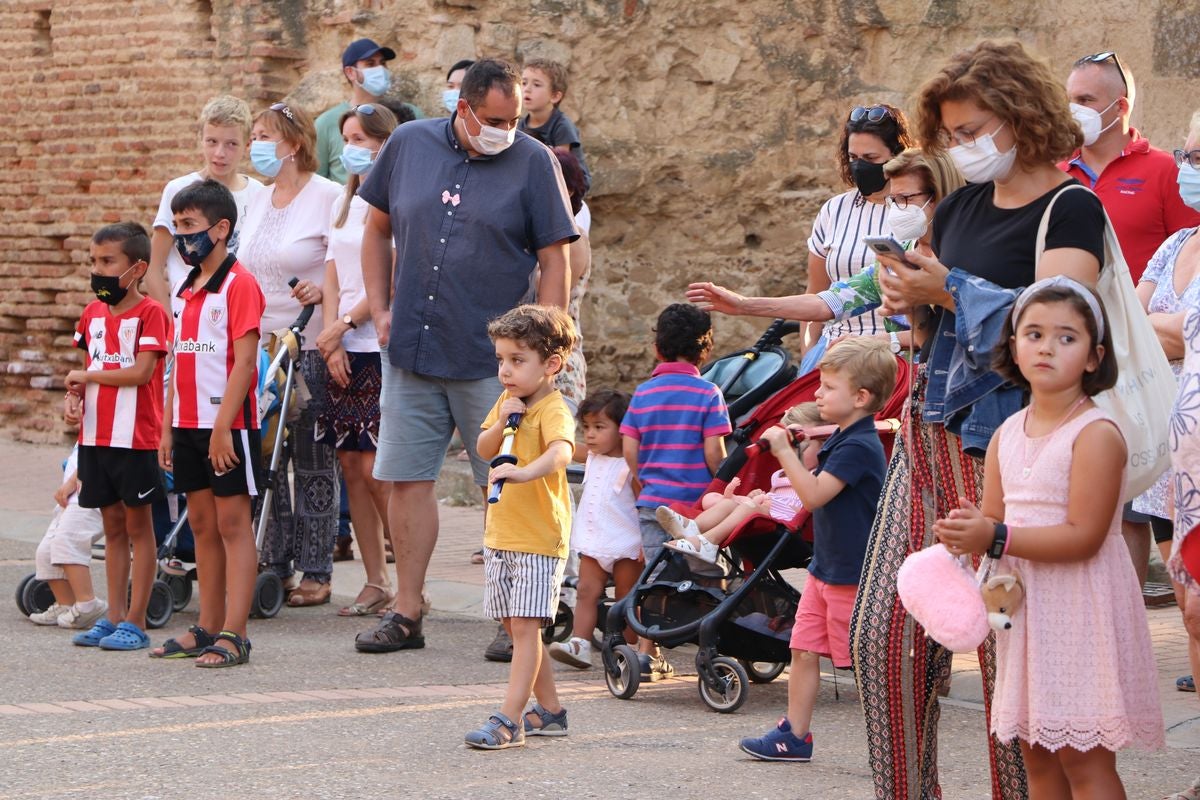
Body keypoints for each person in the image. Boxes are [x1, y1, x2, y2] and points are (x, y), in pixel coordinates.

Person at [855, 39, 1107, 800]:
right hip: (927, 435)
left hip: (1010, 449)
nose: (964, 148)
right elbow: (929, 287)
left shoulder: (1072, 205)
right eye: (954, 135)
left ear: (1020, 117)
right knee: (884, 640)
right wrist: (907, 295)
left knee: (1008, 654)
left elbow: (1064, 322)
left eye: (974, 132)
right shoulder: (961, 203)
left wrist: (949, 291)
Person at [354, 58, 577, 654]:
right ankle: (407, 608)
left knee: (503, 485)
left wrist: (547, 338)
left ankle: (516, 617)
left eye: (518, 118)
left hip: (496, 361)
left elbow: (556, 256)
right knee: (407, 478)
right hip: (414, 348)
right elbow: (375, 229)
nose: (510, 129)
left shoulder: (534, 161)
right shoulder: (408, 144)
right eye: (498, 119)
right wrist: (379, 307)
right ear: (463, 108)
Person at [935, 277, 1162, 797]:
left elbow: (1084, 537)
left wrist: (994, 534)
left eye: (1066, 337)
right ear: (1013, 346)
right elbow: (995, 524)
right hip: (1024, 615)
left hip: (1080, 610)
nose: (1046, 347)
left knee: (1085, 763)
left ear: (1093, 357)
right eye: (1033, 334)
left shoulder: (1096, 434)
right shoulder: (1006, 434)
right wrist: (969, 533)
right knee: (1038, 762)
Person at [1062, 52, 1200, 589]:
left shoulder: (1164, 171)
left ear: (1119, 107)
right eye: (1069, 99)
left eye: (1086, 100)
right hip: (1092, 360)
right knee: (1105, 495)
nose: (1073, 111)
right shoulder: (1057, 173)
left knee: (1143, 507)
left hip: (1154, 374)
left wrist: (1155, 332)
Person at [738, 338, 894, 762]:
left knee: (864, 663)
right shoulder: (840, 437)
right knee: (803, 649)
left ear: (861, 397)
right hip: (826, 569)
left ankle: (895, 737)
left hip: (852, 573)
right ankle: (794, 734)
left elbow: (813, 496)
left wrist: (786, 451)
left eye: (827, 388)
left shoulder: (859, 446)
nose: (818, 395)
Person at [687, 148, 964, 354]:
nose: (897, 208)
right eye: (892, 200)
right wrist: (745, 305)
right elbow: (829, 302)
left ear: (940, 194)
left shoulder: (967, 254)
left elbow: (974, 327)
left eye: (906, 199)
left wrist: (883, 340)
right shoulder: (897, 256)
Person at [153, 179, 266, 667]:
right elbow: (179, 359)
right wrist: (166, 426)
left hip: (227, 427)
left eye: (190, 226)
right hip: (187, 424)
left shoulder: (240, 285)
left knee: (233, 524)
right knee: (201, 524)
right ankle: (207, 625)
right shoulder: (184, 287)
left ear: (221, 229)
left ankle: (235, 634)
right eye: (176, 226)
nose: (181, 236)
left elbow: (244, 363)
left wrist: (223, 428)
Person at [238, 101, 343, 607]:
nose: (255, 143)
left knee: (311, 457)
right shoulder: (258, 198)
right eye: (254, 134)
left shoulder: (326, 196)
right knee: (264, 454)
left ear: (294, 144)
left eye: (264, 135)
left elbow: (346, 261)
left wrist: (323, 290)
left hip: (309, 342)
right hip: (260, 345)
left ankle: (317, 570)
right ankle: (272, 560)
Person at [463, 304, 577, 749]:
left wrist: (526, 472)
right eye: (501, 360)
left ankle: (509, 720)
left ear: (551, 365)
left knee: (526, 629)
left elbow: (562, 453)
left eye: (517, 360)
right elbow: (484, 444)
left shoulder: (552, 407)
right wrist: (505, 419)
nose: (505, 371)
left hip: (537, 537)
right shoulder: (507, 402)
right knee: (515, 627)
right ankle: (549, 711)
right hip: (503, 535)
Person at [64, 222, 169, 652]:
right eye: (94, 262)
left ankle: (136, 620)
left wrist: (86, 375)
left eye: (108, 262)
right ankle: (111, 617)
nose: (99, 270)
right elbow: (87, 370)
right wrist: (73, 397)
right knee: (111, 527)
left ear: (137, 268)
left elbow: (142, 373)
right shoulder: (91, 314)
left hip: (136, 439)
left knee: (139, 528)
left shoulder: (151, 314)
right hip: (95, 438)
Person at [314, 102, 401, 617]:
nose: (351, 146)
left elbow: (388, 276)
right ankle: (375, 580)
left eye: (362, 138)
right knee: (350, 466)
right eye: (347, 137)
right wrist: (330, 334)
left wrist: (348, 324)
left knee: (378, 472)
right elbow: (331, 270)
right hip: (340, 345)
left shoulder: (391, 202)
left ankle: (409, 581)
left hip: (375, 346)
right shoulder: (343, 203)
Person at [621, 303, 731, 680]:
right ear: (706, 350)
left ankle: (645, 650)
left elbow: (630, 452)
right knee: (709, 571)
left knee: (655, 575)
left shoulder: (642, 394)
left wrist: (645, 483)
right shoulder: (709, 393)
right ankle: (712, 644)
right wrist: (728, 484)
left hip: (654, 503)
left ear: (657, 348)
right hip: (697, 510)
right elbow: (714, 454)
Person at [1138, 114, 1200, 716]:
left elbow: (1183, 337)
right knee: (1190, 609)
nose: (1187, 169)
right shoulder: (1176, 244)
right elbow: (1131, 326)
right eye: (1186, 154)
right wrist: (1173, 331)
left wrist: (1173, 332)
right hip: (1166, 449)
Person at [797, 104, 913, 372]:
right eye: (853, 157)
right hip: (832, 352)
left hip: (891, 355)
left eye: (871, 158)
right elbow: (815, 291)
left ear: (897, 156)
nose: (860, 166)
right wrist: (809, 355)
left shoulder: (915, 212)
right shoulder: (833, 210)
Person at [656, 402, 823, 562]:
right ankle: (693, 526)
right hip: (768, 518)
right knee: (721, 500)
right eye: (788, 446)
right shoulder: (780, 474)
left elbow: (806, 505)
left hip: (790, 529)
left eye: (803, 446)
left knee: (749, 507)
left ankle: (708, 542)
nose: (793, 453)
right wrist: (759, 496)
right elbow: (775, 496)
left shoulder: (818, 476)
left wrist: (762, 504)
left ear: (824, 445)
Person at [144, 95, 265, 310]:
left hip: (240, 311)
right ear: (201, 138)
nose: (220, 153)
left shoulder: (258, 193)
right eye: (212, 142)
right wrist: (168, 321)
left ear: (247, 145)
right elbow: (153, 267)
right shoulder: (178, 190)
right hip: (188, 314)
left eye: (231, 144)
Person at [548, 389, 640, 668]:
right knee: (587, 591)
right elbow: (566, 448)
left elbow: (642, 504)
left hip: (627, 542)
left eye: (599, 427)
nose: (589, 434)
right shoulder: (592, 457)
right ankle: (580, 643)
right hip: (594, 540)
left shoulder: (630, 464)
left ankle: (629, 648)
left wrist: (648, 544)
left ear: (623, 430)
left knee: (627, 597)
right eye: (586, 427)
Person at [314, 38, 421, 184]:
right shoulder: (325, 122)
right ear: (351, 72)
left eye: (383, 63)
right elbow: (317, 180)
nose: (380, 69)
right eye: (370, 64)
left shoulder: (409, 113)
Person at [29, 443, 106, 630]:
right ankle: (67, 604)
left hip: (90, 496)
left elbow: (100, 453)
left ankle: (88, 604)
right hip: (71, 499)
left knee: (67, 544)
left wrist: (73, 481)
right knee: (46, 552)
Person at [519, 59, 591, 194]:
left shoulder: (562, 126)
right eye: (523, 83)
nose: (527, 89)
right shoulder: (520, 126)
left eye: (536, 85)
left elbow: (560, 166)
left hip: (569, 189)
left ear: (555, 96)